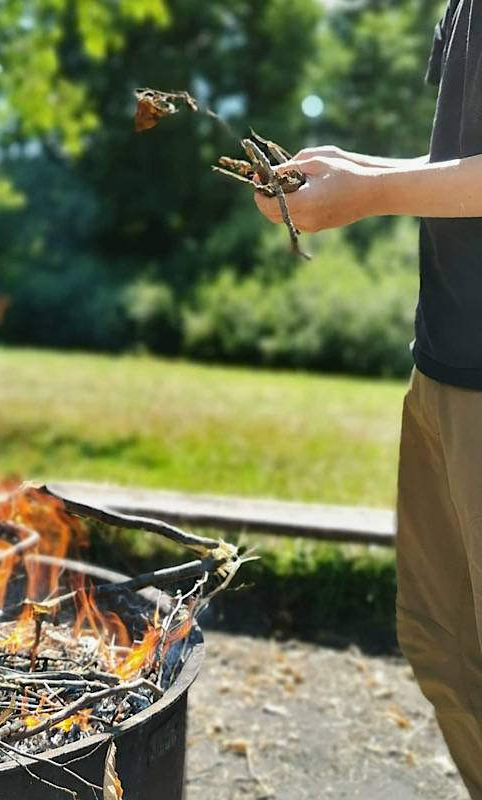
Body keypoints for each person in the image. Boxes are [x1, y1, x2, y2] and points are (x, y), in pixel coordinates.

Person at [254, 2, 482, 796]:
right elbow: (467, 160)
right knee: (443, 644)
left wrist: (369, 195)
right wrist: (357, 170)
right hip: (446, 367)